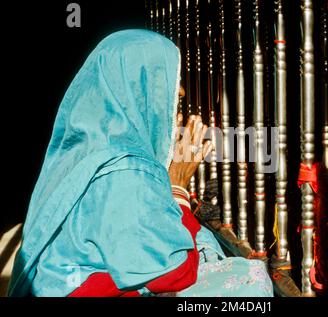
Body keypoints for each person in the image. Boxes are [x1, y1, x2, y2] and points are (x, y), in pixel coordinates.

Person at [7, 29, 273, 297]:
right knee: (249, 282)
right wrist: (177, 187)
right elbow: (174, 272)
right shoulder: (127, 168)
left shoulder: (84, 147)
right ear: (136, 90)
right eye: (164, 82)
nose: (179, 92)